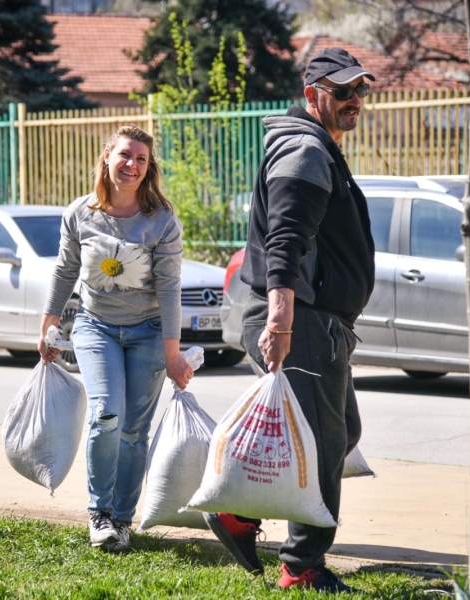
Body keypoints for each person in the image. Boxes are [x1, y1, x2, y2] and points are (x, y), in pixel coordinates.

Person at [205, 48, 376, 593]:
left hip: (314, 320)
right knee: (324, 444)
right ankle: (302, 567)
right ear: (311, 95)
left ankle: (238, 512)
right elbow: (286, 243)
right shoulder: (305, 152)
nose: (354, 100)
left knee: (342, 430)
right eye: (342, 90)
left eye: (360, 90)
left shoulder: (315, 149)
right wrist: (281, 321)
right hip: (298, 319)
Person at [38, 124, 194, 554]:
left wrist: (172, 354)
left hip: (147, 333)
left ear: (149, 169)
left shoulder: (161, 220)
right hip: (95, 326)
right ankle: (99, 513)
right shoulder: (80, 212)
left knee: (134, 431)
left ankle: (123, 520)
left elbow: (169, 288)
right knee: (106, 413)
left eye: (141, 159)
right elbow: (65, 269)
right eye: (126, 155)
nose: (132, 164)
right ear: (108, 156)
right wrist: (49, 322)